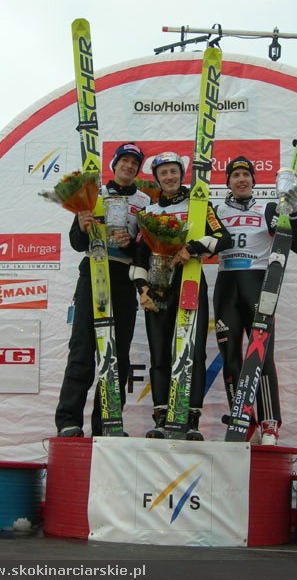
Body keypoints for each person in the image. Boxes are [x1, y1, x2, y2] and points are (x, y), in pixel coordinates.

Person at [130, 152, 232, 440]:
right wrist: (142, 289)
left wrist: (193, 247)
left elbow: (223, 238)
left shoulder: (199, 205)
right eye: (163, 173)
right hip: (158, 287)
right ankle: (162, 418)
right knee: (160, 351)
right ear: (157, 178)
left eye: (174, 171)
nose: (169, 177)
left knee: (193, 352)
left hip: (190, 283)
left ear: (182, 173)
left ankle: (191, 419)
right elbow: (139, 257)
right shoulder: (148, 212)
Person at [55, 142, 150, 437]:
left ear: (138, 169)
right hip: (94, 272)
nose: (129, 166)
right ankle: (69, 421)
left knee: (117, 355)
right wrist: (82, 226)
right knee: (82, 350)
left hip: (123, 278)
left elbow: (146, 251)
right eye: (125, 161)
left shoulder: (145, 201)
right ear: (115, 164)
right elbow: (76, 243)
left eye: (134, 163)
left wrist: (131, 244)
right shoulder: (93, 192)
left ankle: (108, 424)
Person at [213, 156, 297, 445]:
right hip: (226, 287)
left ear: (254, 181)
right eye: (236, 175)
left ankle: (269, 423)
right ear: (228, 182)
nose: (241, 179)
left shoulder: (268, 208)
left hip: (257, 286)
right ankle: (243, 420)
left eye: (246, 175)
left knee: (261, 354)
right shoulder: (215, 211)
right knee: (230, 357)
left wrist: (292, 212)